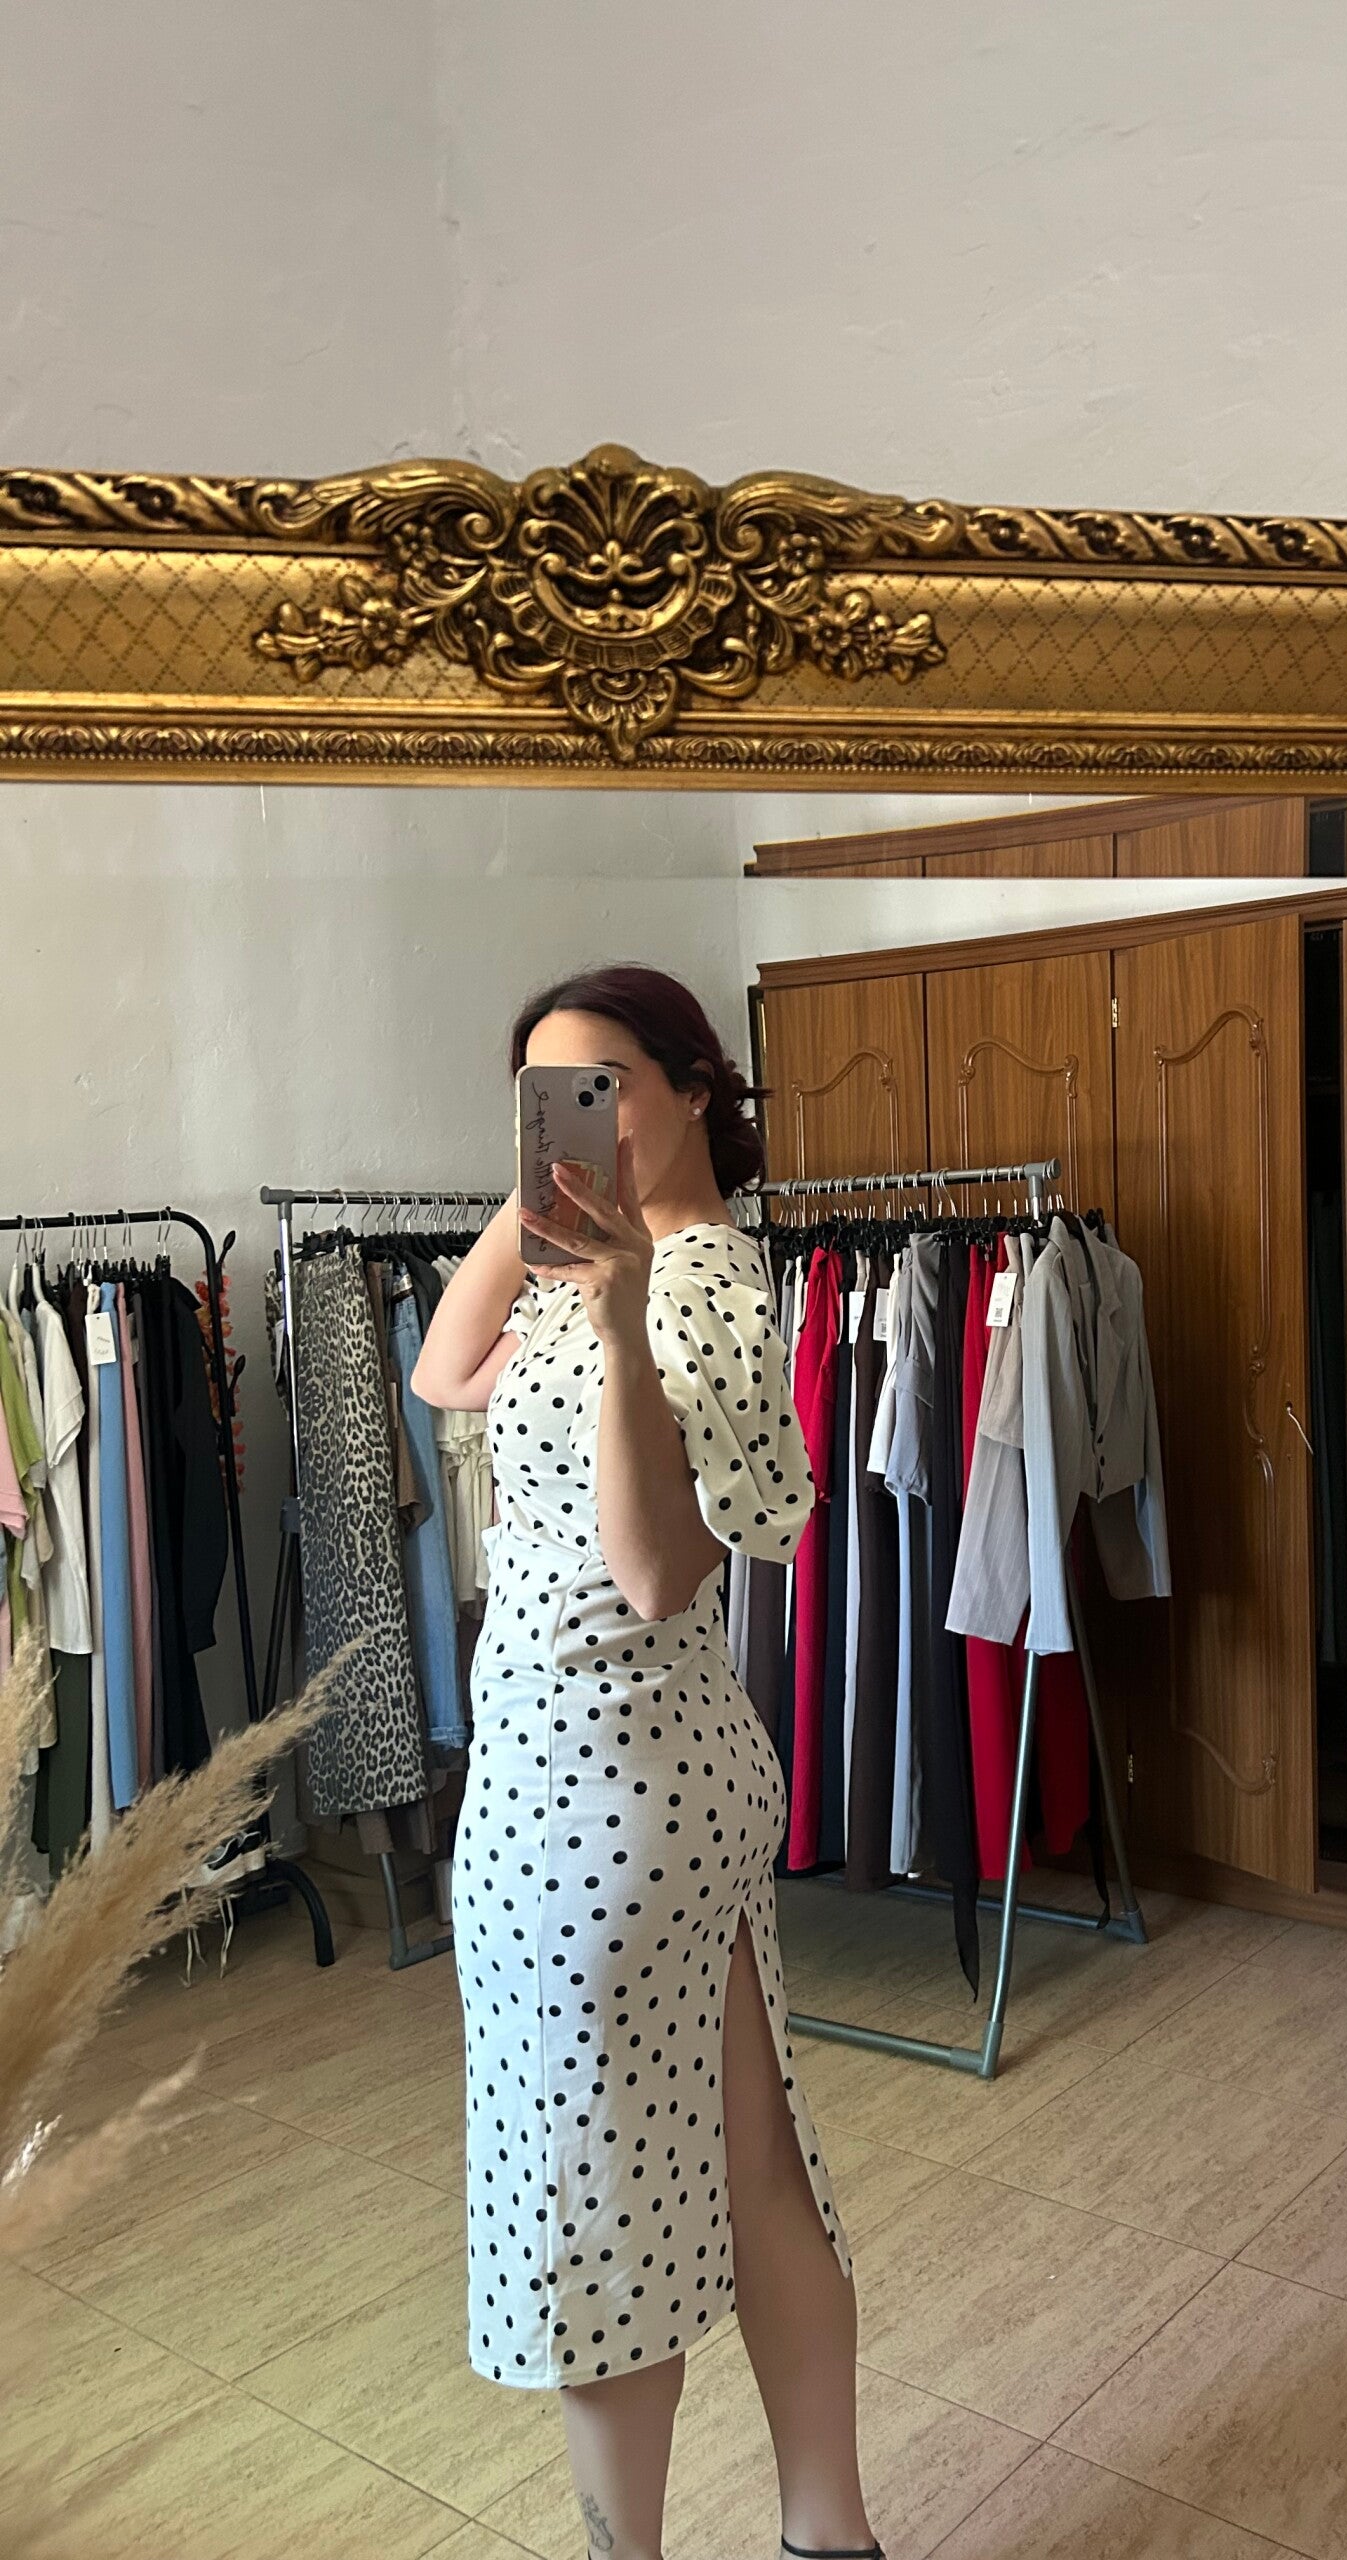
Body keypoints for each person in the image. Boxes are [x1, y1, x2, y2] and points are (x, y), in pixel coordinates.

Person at [414, 964, 880, 2560]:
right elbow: (442, 1373)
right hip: (615, 1786)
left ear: (693, 1089)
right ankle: (832, 2533)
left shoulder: (698, 1288)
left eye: (605, 1087)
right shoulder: (590, 1269)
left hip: (600, 1802)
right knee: (748, 2168)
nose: (581, 1123)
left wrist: (616, 1320)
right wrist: (539, 1210)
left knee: (599, 2225)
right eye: (548, 1100)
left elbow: (662, 1568)